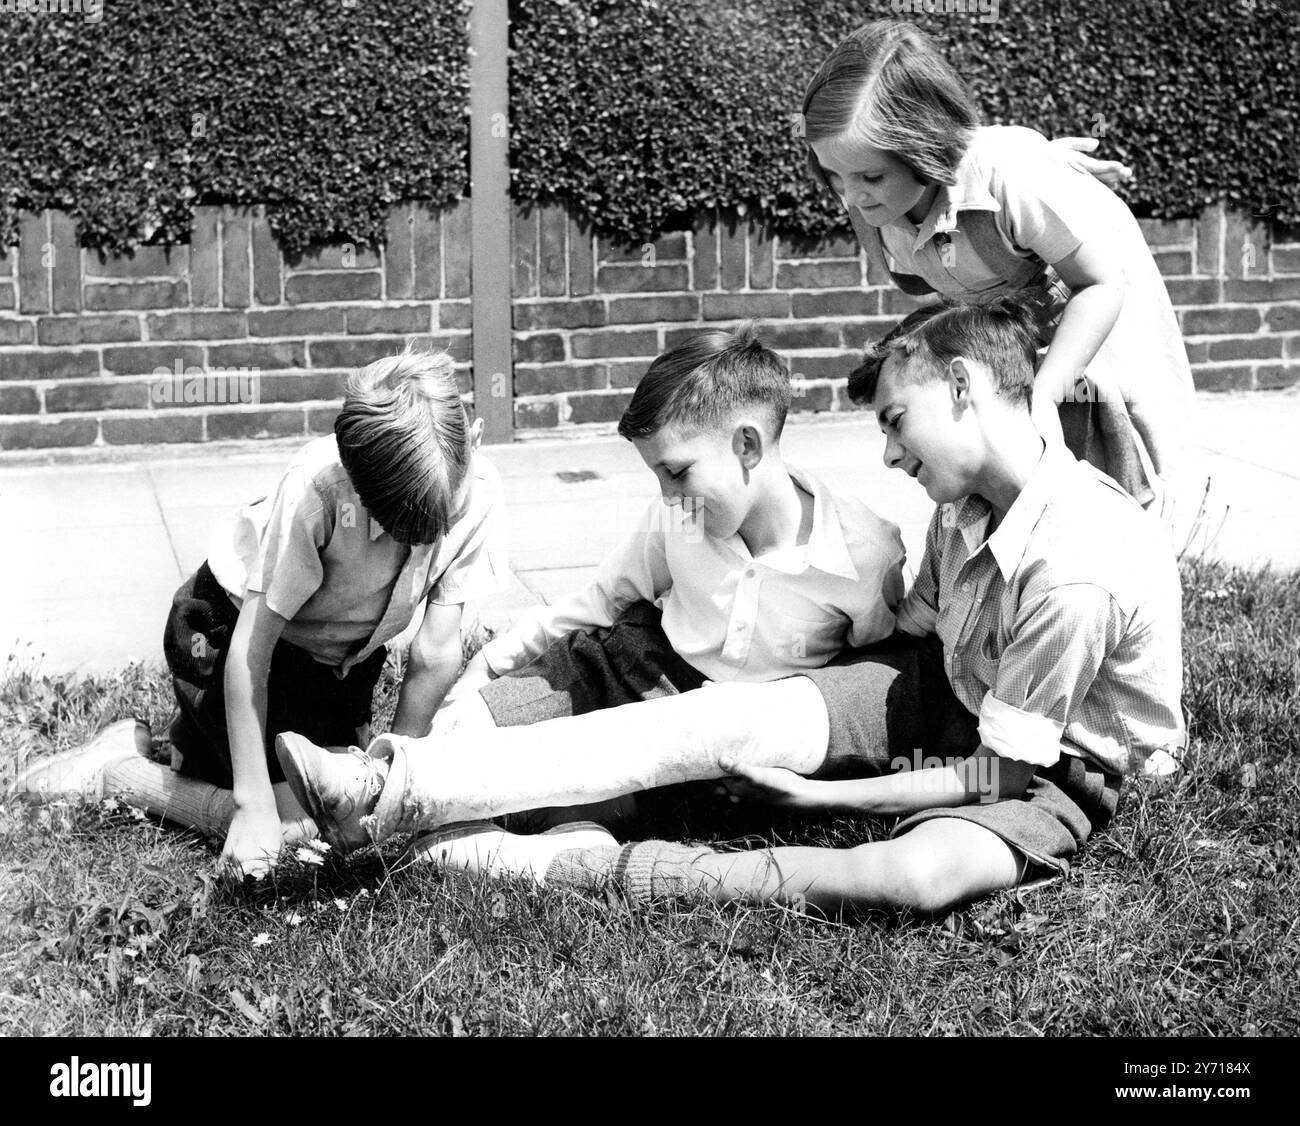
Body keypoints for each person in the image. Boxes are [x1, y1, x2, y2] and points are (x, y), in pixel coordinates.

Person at [277, 296, 1186, 914]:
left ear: (962, 388)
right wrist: (786, 720)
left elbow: (1005, 774)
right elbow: (901, 648)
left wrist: (840, 789)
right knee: (726, 720)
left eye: (896, 421)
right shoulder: (960, 510)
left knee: (909, 877)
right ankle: (390, 787)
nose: (889, 455)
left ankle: (500, 854)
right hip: (945, 697)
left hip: (1048, 765)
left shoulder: (1071, 570)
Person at [311, 323, 907, 859]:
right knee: (468, 727)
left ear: (747, 445)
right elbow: (600, 600)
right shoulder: (681, 515)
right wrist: (488, 667)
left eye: (676, 471)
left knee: (589, 789)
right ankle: (380, 789)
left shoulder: (862, 555)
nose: (669, 494)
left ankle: (467, 820)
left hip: (723, 731)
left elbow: (856, 688)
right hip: (631, 668)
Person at [13, 341, 507, 879]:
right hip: (226, 634)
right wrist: (252, 806)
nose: (422, 544)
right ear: (357, 482)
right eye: (394, 530)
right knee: (293, 822)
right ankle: (122, 771)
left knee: (346, 804)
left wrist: (400, 778)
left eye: (440, 524)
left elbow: (435, 649)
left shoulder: (482, 492)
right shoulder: (316, 492)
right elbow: (253, 646)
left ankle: (192, 744)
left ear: (475, 442)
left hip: (335, 658)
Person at [801, 20, 1195, 513]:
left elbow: (1099, 285)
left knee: (1115, 423)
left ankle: (1135, 542)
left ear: (926, 146)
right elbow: (957, 281)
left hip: (1092, 290)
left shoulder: (1007, 174)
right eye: (834, 177)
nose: (852, 196)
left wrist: (1046, 395)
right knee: (1014, 450)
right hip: (1021, 307)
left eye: (871, 176)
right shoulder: (874, 212)